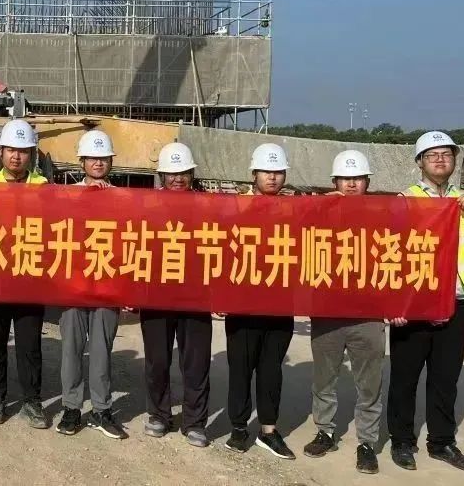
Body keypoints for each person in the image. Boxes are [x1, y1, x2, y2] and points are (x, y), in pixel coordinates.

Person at [387, 131, 464, 473]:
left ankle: (442, 442)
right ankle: (402, 441)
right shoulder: (406, 200)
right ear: (420, 162)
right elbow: (391, 252)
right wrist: (394, 303)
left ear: (454, 160)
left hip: (455, 300)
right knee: (405, 377)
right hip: (414, 302)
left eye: (446, 154)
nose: (440, 160)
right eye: (432, 155)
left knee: (445, 378)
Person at [302, 150, 383, 473]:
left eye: (357, 179)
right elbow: (290, 234)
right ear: (334, 182)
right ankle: (325, 431)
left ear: (367, 183)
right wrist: (318, 207)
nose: (351, 184)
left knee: (369, 384)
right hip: (328, 311)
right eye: (345, 179)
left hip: (368, 314)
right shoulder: (319, 212)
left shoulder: (380, 215)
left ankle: (367, 442)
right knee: (324, 379)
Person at [224, 143, 295, 459]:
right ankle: (239, 428)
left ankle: (268, 430)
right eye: (267, 171)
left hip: (280, 303)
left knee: (271, 370)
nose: (273, 177)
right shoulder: (235, 207)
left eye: (278, 171)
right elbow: (220, 250)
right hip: (243, 303)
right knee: (240, 369)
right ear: (254, 173)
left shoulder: (294, 209)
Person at [139, 142, 212, 448]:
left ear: (192, 174)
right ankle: (159, 414)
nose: (178, 178)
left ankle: (194, 422)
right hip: (156, 295)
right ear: (162, 176)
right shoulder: (147, 207)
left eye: (183, 172)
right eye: (172, 173)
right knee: (157, 360)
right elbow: (134, 247)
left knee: (196, 362)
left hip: (196, 296)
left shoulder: (207, 206)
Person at [0, 119, 49, 429]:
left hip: (29, 275)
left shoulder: (43, 187)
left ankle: (32, 400)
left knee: (29, 343)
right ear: (0, 152)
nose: (16, 156)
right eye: (11, 150)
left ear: (31, 154)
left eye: (22, 151)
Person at [55, 130, 126, 439]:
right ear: (81, 161)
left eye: (103, 158)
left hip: (108, 285)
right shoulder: (66, 195)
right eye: (92, 158)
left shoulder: (122, 198)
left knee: (101, 351)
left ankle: (101, 409)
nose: (98, 163)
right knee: (71, 349)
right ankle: (71, 408)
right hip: (74, 285)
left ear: (110, 162)